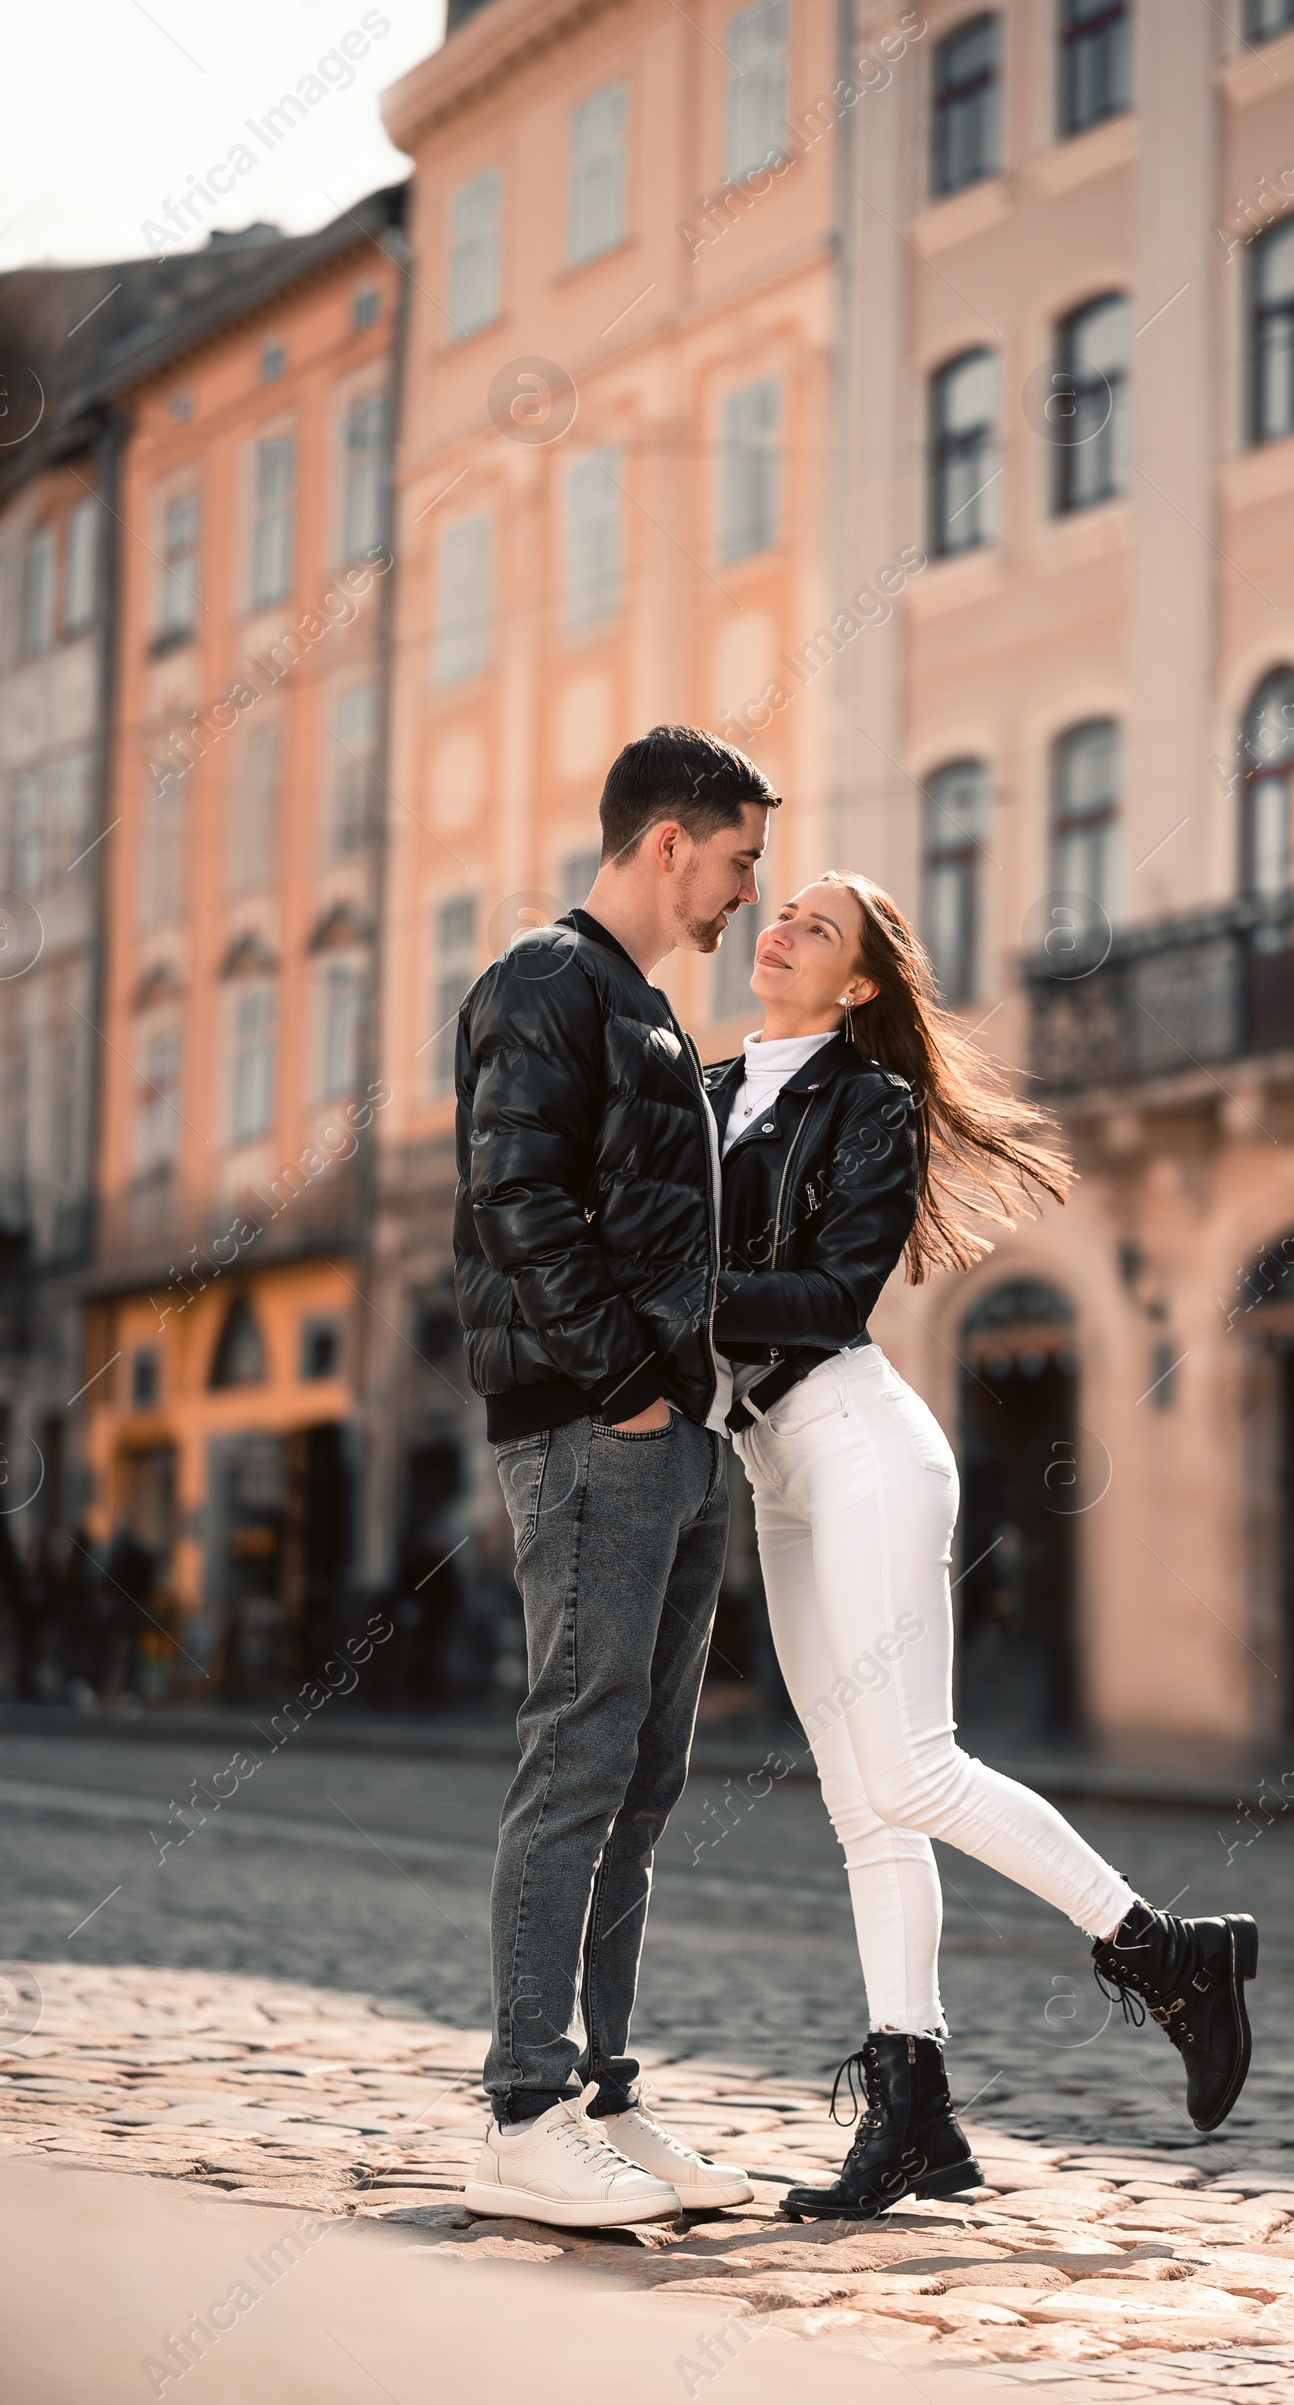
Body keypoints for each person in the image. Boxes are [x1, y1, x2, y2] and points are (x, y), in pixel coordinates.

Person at [706, 873, 1260, 2222]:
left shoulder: (868, 1103)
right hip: (769, 1465)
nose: (777, 927)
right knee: (860, 1802)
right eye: (779, 909)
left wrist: (676, 1294)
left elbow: (835, 1291)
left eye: (816, 928)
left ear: (859, 990)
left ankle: (1168, 1952)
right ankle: (914, 2109)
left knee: (912, 1764)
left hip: (860, 1445)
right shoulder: (705, 1094)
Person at [455, 727, 776, 2230]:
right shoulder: (545, 979)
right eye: (735, 860)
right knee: (577, 1759)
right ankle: (524, 2108)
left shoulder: (647, 1010)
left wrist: (694, 1407)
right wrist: (631, 1388)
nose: (744, 894)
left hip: (673, 1439)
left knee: (643, 1780)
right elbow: (514, 1195)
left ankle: (602, 2095)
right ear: (668, 841)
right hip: (599, 1436)